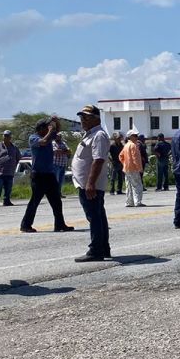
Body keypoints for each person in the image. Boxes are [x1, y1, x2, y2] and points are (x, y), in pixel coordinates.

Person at [71, 105, 112, 261]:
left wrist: (90, 183)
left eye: (86, 117)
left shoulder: (99, 135)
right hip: (86, 183)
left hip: (91, 184)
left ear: (96, 118)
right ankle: (103, 248)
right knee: (98, 215)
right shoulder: (89, 135)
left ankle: (96, 250)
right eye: (81, 117)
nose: (83, 120)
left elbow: (98, 160)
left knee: (94, 217)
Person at [20, 117, 74, 233]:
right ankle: (25, 225)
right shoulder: (34, 138)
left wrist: (56, 122)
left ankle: (59, 224)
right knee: (35, 201)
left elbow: (57, 130)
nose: (49, 129)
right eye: (46, 127)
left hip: (49, 174)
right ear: (40, 129)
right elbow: (43, 142)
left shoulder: (49, 136)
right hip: (38, 175)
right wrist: (50, 131)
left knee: (56, 201)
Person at [0, 130, 21, 207]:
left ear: (10, 137)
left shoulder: (14, 147)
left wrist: (14, 165)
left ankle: (7, 201)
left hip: (10, 171)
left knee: (8, 188)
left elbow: (18, 157)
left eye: (7, 136)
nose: (5, 137)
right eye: (4, 136)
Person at [120, 130, 145, 207]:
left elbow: (121, 156)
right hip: (133, 168)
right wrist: (139, 168)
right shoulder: (134, 145)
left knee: (129, 186)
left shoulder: (126, 145)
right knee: (137, 185)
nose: (137, 137)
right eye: (135, 135)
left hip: (127, 168)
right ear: (130, 137)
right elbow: (135, 158)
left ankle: (129, 202)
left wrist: (125, 163)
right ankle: (137, 202)